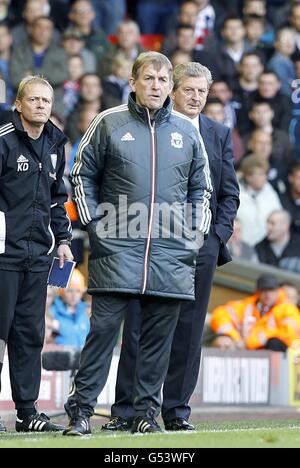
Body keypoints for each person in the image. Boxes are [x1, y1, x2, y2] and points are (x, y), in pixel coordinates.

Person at [64, 52, 213, 436]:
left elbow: (202, 188)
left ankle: (146, 413)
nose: (156, 86)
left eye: (163, 80)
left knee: (157, 342)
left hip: (171, 253)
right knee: (102, 336)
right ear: (133, 81)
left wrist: (193, 236)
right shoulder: (108, 121)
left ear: (170, 86)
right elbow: (81, 174)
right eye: (149, 79)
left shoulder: (187, 129)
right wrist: (96, 223)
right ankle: (81, 411)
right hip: (116, 249)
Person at [103, 62, 239, 433]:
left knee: (190, 329)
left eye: (202, 92)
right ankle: (126, 410)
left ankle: (176, 411)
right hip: (149, 245)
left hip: (201, 249)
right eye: (189, 90)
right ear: (172, 92)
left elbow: (229, 194)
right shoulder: (149, 127)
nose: (196, 98)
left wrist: (216, 237)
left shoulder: (219, 133)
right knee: (138, 327)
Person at [0, 75, 73, 433]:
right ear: (18, 104)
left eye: (47, 100)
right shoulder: (3, 141)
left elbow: (58, 199)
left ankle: (27, 413)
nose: (42, 105)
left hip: (37, 255)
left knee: (30, 333)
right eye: (34, 99)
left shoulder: (57, 143)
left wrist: (62, 240)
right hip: (1, 254)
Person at [211, 274, 300, 351]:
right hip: (246, 350)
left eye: (271, 290)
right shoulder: (248, 305)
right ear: (257, 291)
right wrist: (233, 337)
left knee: (274, 343)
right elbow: (220, 315)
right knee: (222, 342)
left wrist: (254, 341)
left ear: (277, 291)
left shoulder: (287, 308)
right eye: (264, 290)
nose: (268, 294)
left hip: (275, 353)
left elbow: (289, 333)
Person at [49, 269, 89, 348]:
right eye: (70, 291)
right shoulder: (52, 313)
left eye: (78, 291)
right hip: (59, 357)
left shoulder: (85, 313)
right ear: (61, 291)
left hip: (81, 358)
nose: (74, 295)